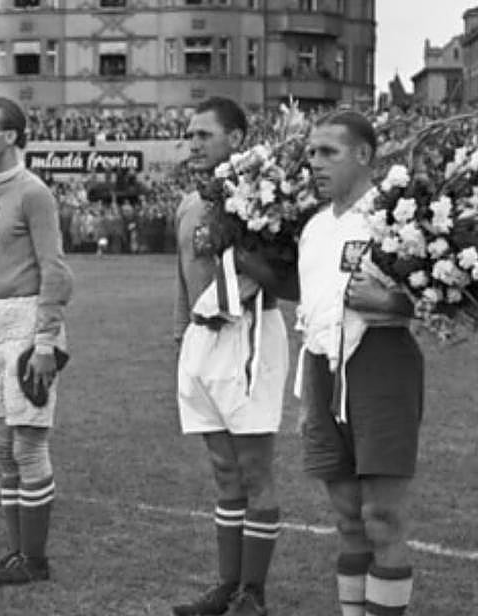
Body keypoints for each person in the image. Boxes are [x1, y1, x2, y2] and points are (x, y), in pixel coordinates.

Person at [170, 98, 294, 616]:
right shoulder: (188, 204)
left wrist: (247, 260)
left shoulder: (265, 199)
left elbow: (287, 280)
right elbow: (183, 278)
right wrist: (181, 336)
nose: (193, 144)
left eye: (204, 134)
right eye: (190, 135)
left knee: (254, 469)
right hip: (202, 342)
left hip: (249, 337)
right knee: (223, 471)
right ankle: (227, 585)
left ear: (237, 140)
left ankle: (253, 593)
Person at [299, 111, 422, 616]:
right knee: (347, 518)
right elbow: (310, 312)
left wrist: (396, 303)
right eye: (310, 153)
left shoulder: (398, 218)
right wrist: (305, 396)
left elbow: (446, 292)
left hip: (380, 366)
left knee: (381, 517)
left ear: (364, 156)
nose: (314, 164)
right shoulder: (312, 229)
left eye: (328, 152)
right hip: (320, 370)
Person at [0, 96, 73, 586]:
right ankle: (16, 553)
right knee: (4, 446)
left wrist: (47, 339)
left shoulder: (34, 192)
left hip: (30, 322)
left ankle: (36, 559)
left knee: (29, 444)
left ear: (11, 136)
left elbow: (55, 269)